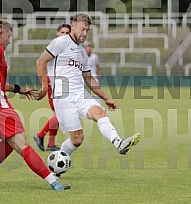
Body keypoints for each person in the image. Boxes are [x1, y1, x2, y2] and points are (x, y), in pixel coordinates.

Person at [0, 18, 70, 191]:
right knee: (22, 144)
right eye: (9, 36)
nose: (10, 40)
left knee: (9, 142)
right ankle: (54, 183)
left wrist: (20, 89)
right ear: (1, 33)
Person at [36, 13, 140, 176]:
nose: (84, 33)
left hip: (80, 94)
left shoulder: (83, 53)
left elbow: (89, 78)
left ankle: (118, 142)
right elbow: (41, 61)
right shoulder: (60, 42)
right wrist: (44, 87)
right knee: (77, 139)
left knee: (100, 114)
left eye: (87, 30)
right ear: (73, 25)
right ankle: (56, 170)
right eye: (82, 29)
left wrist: (106, 98)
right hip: (63, 98)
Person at [33, 23, 71, 151]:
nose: (64, 35)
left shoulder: (67, 48)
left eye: (67, 33)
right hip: (53, 84)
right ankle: (40, 135)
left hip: (62, 85)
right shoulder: (55, 46)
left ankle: (51, 144)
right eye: (62, 32)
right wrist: (45, 83)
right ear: (57, 33)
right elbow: (40, 62)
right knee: (61, 114)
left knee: (59, 114)